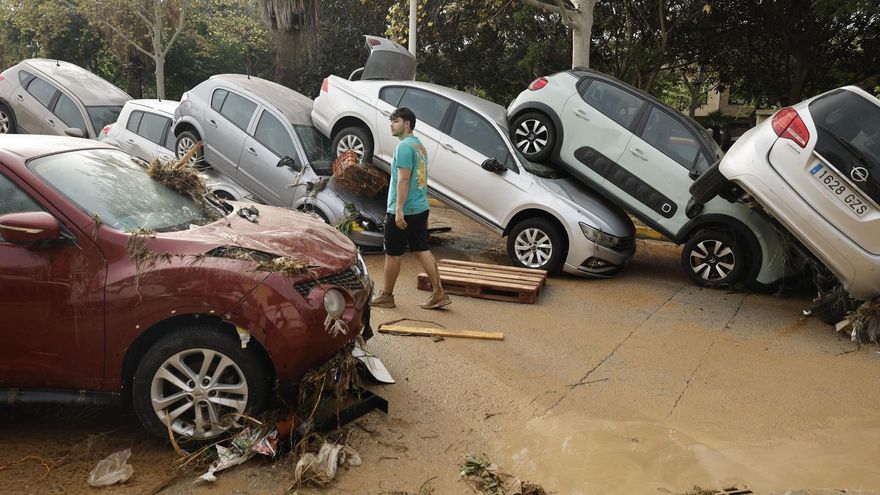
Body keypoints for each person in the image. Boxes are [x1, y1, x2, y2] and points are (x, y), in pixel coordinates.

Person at [371, 107, 451, 310]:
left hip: (404, 211)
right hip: (420, 207)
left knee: (392, 253)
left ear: (407, 124)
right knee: (421, 249)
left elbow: (404, 179)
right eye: (392, 121)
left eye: (396, 121)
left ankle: (387, 296)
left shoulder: (404, 147)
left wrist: (398, 210)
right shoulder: (419, 146)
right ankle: (439, 292)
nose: (392, 124)